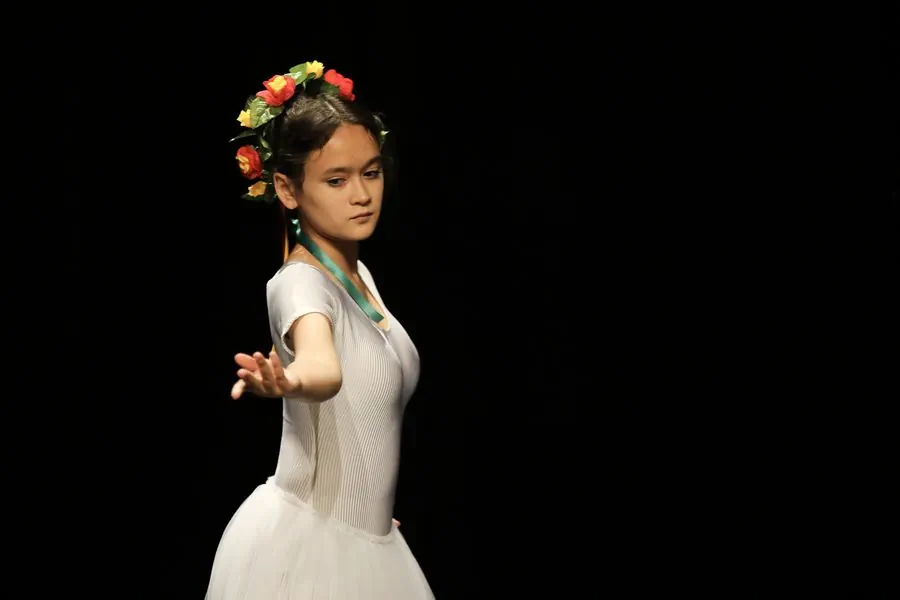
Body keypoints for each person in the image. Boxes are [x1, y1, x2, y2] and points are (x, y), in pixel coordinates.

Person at [205, 60, 434, 599]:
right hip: (311, 548)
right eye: (336, 180)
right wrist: (289, 380)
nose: (361, 195)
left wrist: (367, 510)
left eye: (370, 173)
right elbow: (322, 369)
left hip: (363, 540)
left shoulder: (360, 276)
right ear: (287, 189)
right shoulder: (301, 284)